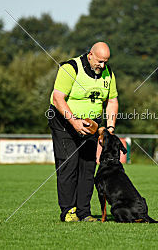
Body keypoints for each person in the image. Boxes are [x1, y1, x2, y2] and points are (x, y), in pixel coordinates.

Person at [48, 42, 118, 222]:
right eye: (100, 61)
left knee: (87, 168)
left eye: (105, 62)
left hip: (91, 125)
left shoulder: (108, 73)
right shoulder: (70, 68)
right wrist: (74, 121)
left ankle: (84, 212)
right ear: (90, 55)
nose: (102, 66)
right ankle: (68, 211)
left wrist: (109, 129)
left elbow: (112, 101)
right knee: (68, 165)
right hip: (64, 122)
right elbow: (57, 98)